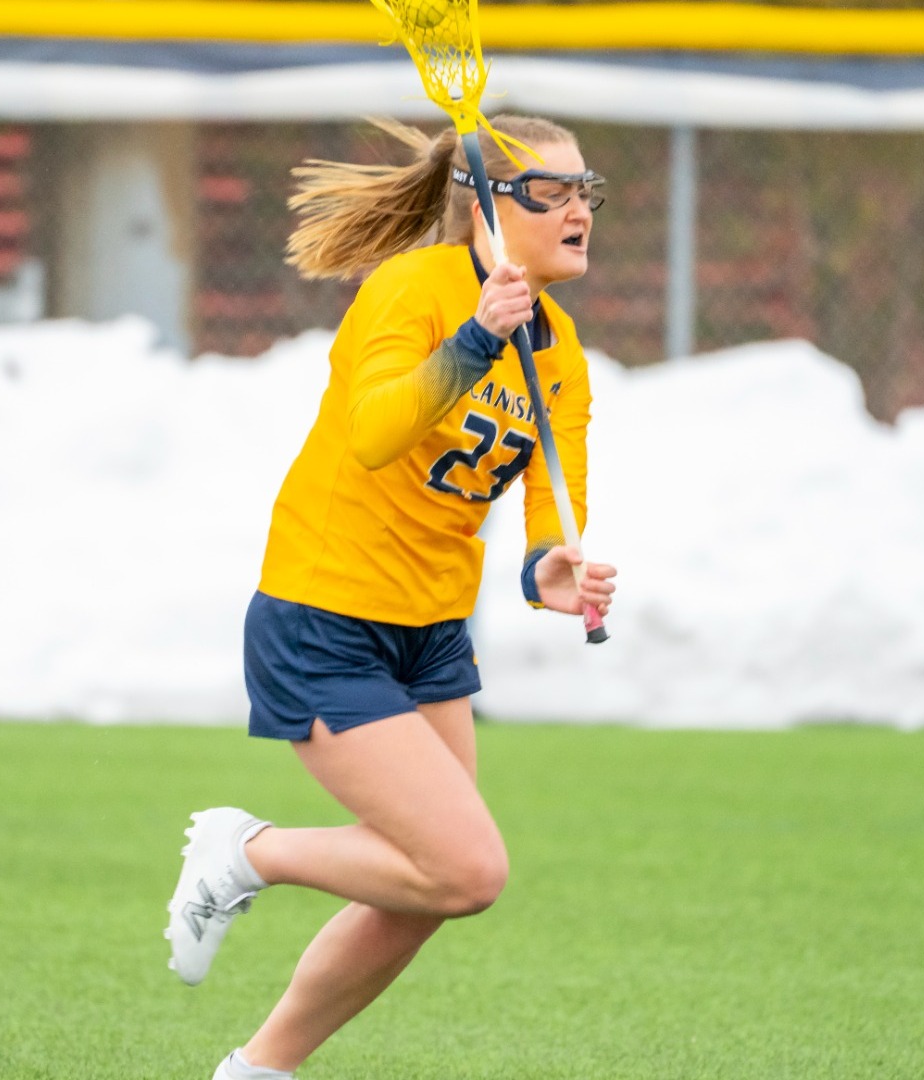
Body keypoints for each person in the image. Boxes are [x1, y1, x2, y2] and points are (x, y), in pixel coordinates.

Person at [162, 115, 616, 1080]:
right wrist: (477, 338)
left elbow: (552, 501)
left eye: (588, 191)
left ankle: (257, 1071)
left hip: (430, 631)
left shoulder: (563, 349)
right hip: (325, 613)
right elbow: (373, 432)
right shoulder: (413, 289)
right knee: (468, 869)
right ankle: (249, 852)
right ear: (488, 207)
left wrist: (550, 568)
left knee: (426, 889)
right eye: (553, 192)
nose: (580, 210)